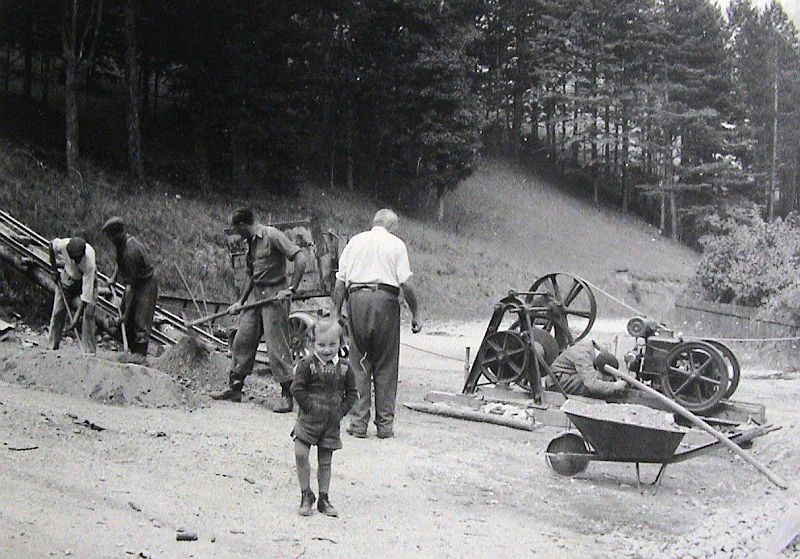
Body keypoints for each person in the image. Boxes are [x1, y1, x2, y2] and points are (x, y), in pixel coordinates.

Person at [332, 208, 422, 439]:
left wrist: (336, 313)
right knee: (386, 363)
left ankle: (358, 423)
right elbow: (406, 284)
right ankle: (384, 425)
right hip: (386, 302)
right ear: (391, 226)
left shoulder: (354, 242)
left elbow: (340, 282)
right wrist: (416, 314)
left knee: (359, 361)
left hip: (357, 300)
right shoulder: (396, 244)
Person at [212, 208, 307, 411]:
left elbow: (300, 258)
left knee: (276, 346)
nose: (237, 235)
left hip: (275, 297)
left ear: (243, 225)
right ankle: (235, 389)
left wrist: (292, 289)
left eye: (237, 230)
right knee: (242, 339)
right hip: (256, 297)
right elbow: (251, 275)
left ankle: (287, 396)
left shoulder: (272, 236)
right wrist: (240, 302)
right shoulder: (250, 244)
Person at [290, 318, 357, 517]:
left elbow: (352, 393)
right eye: (321, 345)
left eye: (332, 344)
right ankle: (306, 494)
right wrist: (309, 407)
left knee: (325, 461)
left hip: (330, 423)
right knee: (300, 453)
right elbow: (297, 388)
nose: (327, 350)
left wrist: (341, 412)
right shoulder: (307, 365)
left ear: (341, 343)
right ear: (312, 344)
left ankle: (324, 498)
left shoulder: (345, 368)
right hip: (308, 420)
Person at [102, 217, 158, 364]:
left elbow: (131, 288)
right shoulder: (121, 244)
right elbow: (119, 262)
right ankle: (131, 353)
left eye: (111, 236)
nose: (110, 240)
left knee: (141, 320)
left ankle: (140, 357)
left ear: (118, 233)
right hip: (136, 283)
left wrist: (125, 314)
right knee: (128, 322)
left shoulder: (130, 251)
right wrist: (113, 278)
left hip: (146, 284)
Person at [47, 236, 97, 355]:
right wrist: (53, 269)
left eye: (78, 259)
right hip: (68, 276)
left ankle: (89, 352)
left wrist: (76, 317)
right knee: (58, 311)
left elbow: (86, 297)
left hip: (85, 280)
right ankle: (52, 347)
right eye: (73, 258)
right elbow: (51, 245)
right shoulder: (63, 245)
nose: (75, 262)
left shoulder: (89, 263)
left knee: (88, 313)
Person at [545, 340, 627, 398]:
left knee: (598, 379)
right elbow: (591, 384)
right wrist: (615, 386)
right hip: (556, 383)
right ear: (597, 368)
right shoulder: (583, 356)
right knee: (594, 383)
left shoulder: (595, 349)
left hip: (566, 375)